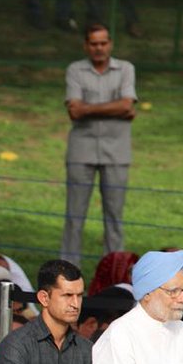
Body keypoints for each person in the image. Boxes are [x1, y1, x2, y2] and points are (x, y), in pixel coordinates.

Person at [60, 24, 137, 263]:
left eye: (103, 43)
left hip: (116, 151)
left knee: (114, 215)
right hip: (81, 150)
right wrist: (114, 108)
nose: (99, 48)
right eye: (94, 43)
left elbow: (126, 105)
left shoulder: (125, 69)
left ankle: (114, 271)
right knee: (75, 215)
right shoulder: (75, 70)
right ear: (86, 46)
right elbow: (74, 111)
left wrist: (87, 108)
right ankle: (68, 270)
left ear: (110, 44)